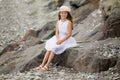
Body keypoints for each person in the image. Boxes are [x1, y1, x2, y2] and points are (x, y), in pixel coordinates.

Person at [35, 6, 78, 71]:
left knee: (53, 48)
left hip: (65, 39)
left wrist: (61, 41)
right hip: (58, 37)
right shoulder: (58, 22)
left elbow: (69, 34)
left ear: (67, 14)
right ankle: (42, 64)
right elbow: (57, 32)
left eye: (65, 13)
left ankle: (47, 66)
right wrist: (57, 39)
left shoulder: (69, 23)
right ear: (60, 14)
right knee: (49, 48)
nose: (63, 14)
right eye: (62, 13)